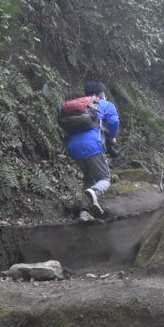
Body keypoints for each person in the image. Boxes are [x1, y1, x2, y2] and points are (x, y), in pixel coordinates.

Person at [63, 79, 120, 222]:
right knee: (104, 179)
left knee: (89, 179)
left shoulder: (77, 106)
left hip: (73, 147)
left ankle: (84, 212)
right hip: (92, 146)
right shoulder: (104, 104)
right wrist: (112, 137)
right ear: (101, 94)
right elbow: (114, 122)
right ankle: (93, 192)